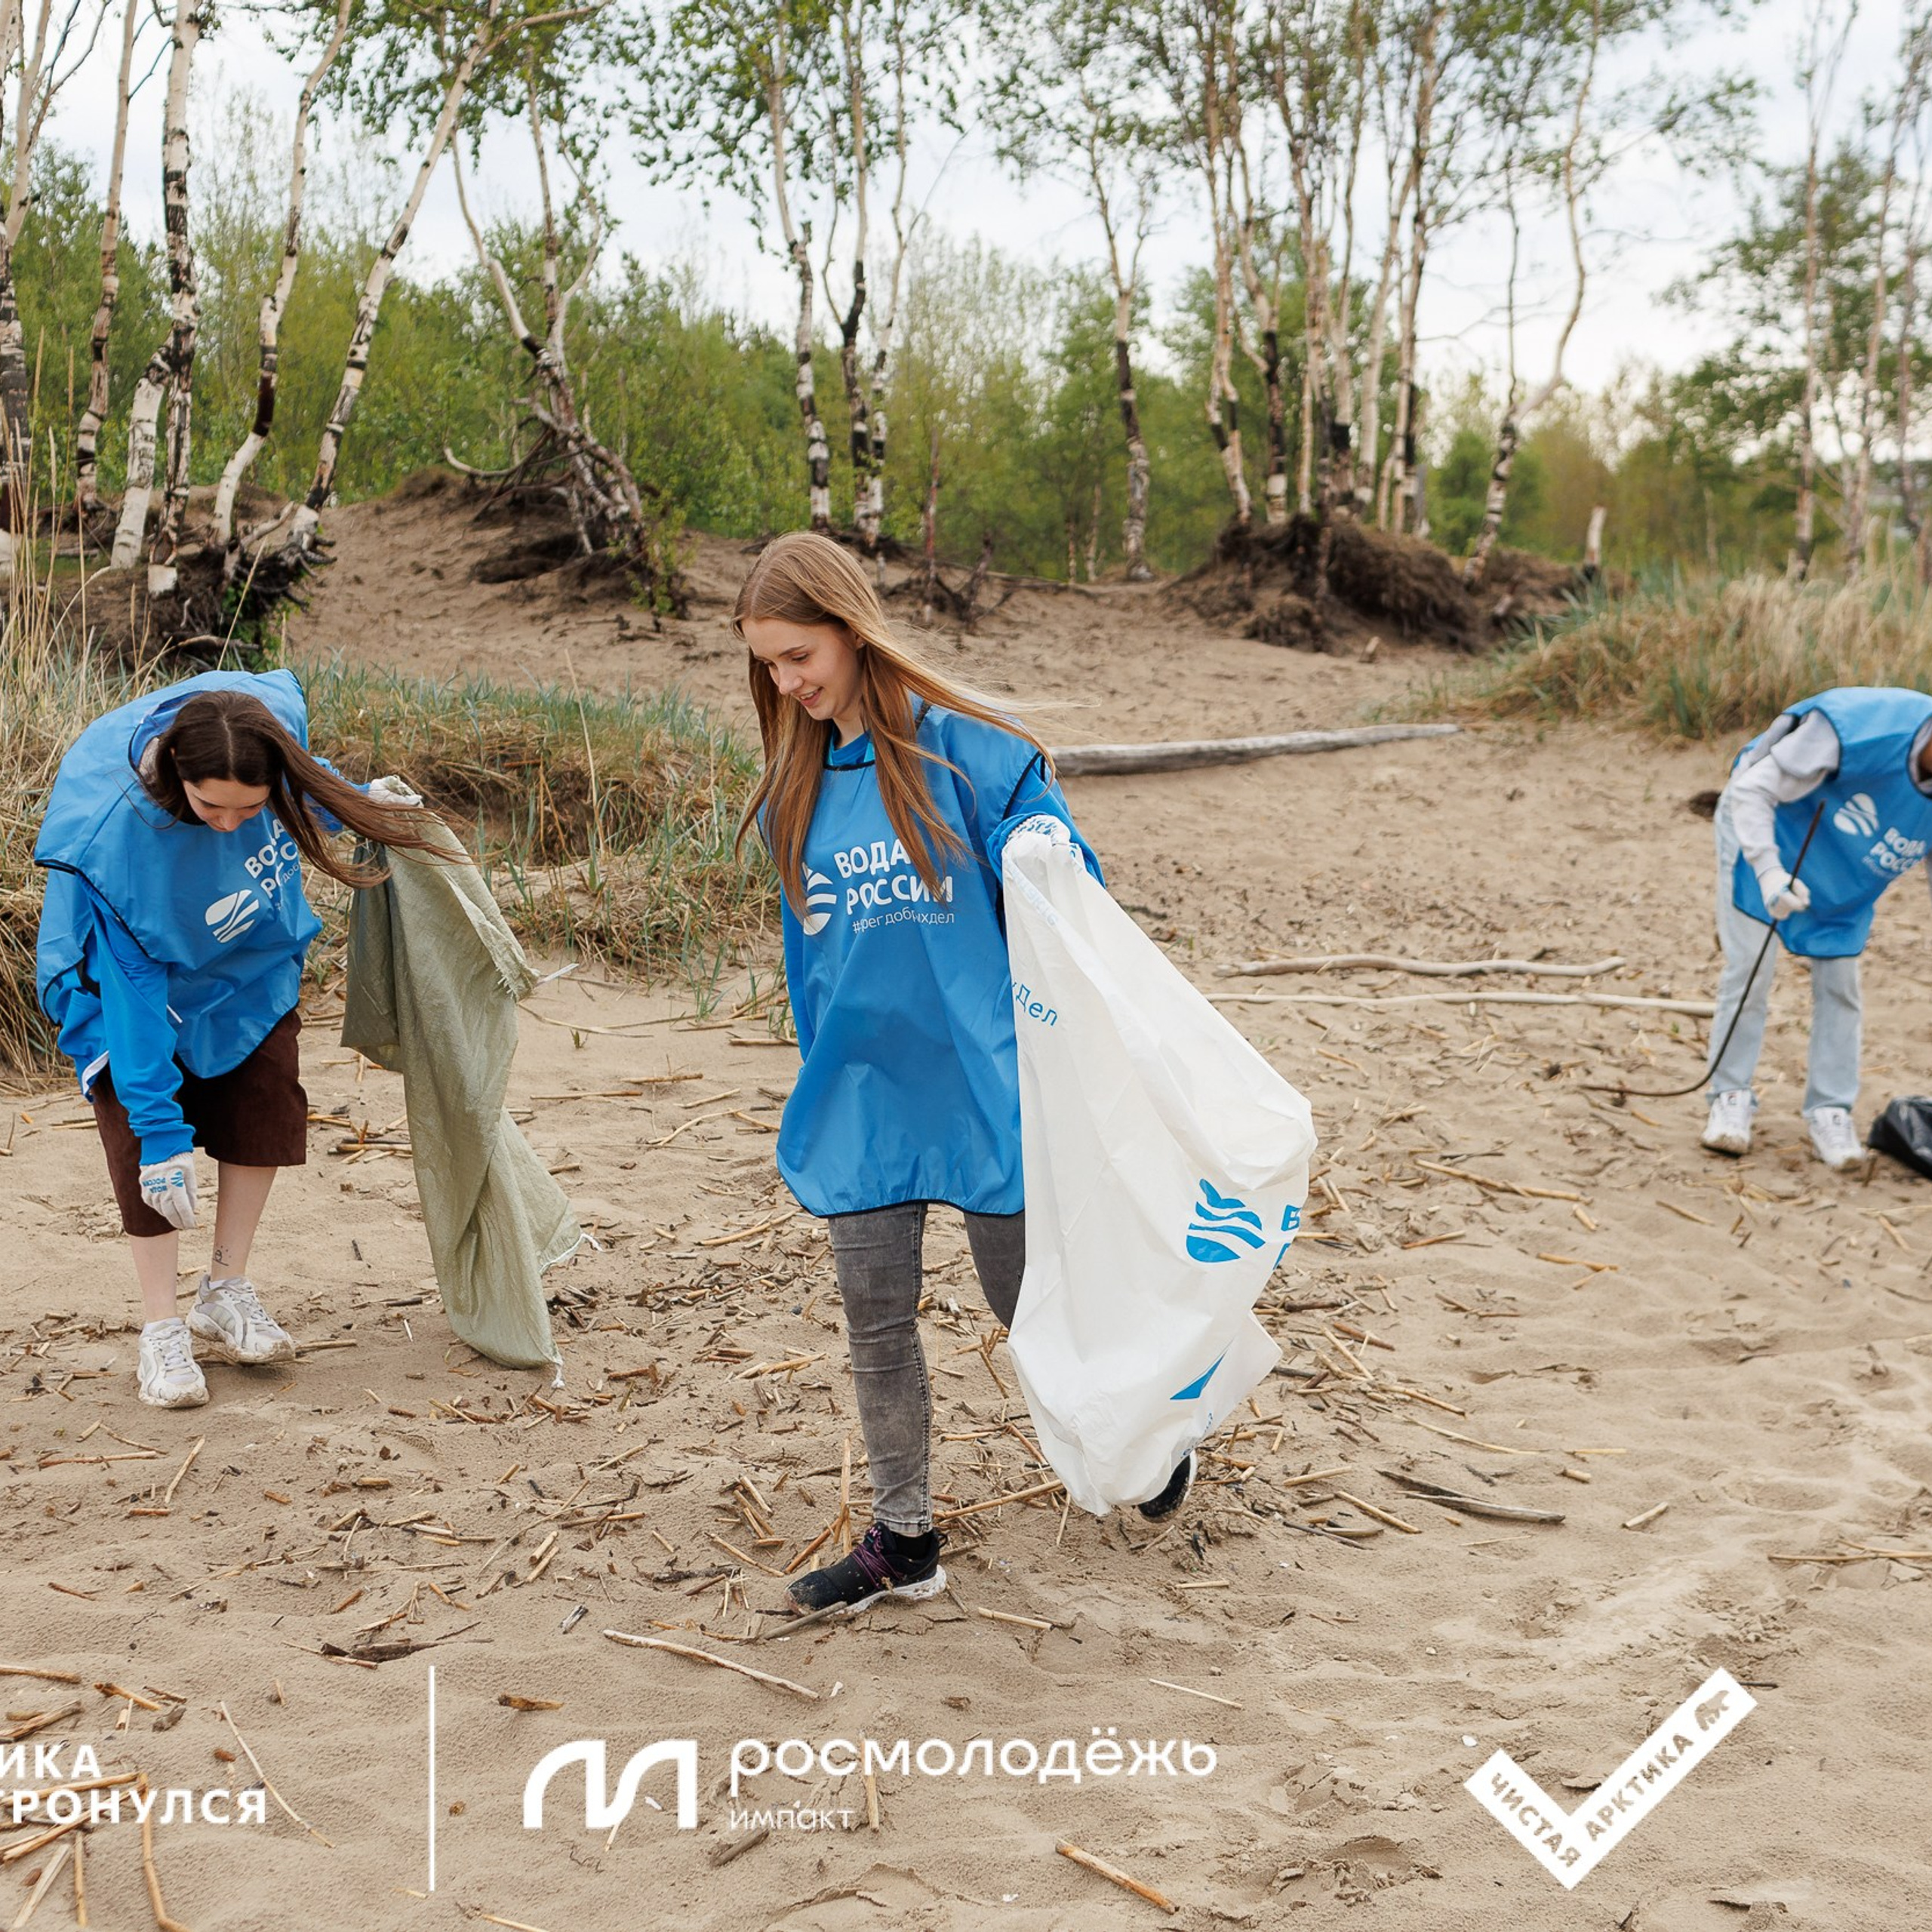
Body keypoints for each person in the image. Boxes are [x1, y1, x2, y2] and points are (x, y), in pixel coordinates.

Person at [734, 531, 1194, 1617]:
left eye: (799, 655)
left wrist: (1043, 839)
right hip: (865, 1094)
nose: (786, 683)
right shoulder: (795, 790)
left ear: (852, 629)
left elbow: (1066, 885)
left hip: (988, 1083)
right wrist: (821, 1071)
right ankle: (904, 1540)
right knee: (876, 1318)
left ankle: (1148, 1443)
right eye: (767, 665)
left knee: (1027, 1307)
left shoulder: (975, 758)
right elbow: (815, 956)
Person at [35, 669, 438, 1408]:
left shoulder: (269, 727)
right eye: (209, 805)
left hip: (242, 953)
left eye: (246, 809)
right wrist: (161, 1134)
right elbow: (135, 996)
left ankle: (224, 1289)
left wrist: (361, 802)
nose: (229, 823)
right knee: (139, 1140)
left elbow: (301, 786)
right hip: (123, 977)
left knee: (262, 1106)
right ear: (178, 777)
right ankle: (162, 1329)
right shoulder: (116, 835)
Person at [1703, 685, 1932, 1170]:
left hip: (1847, 866)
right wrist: (1768, 871)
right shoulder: (1863, 726)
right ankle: (1730, 1096)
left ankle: (1830, 1109)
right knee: (1750, 968)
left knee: (1840, 986)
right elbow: (1751, 791)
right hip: (1770, 831)